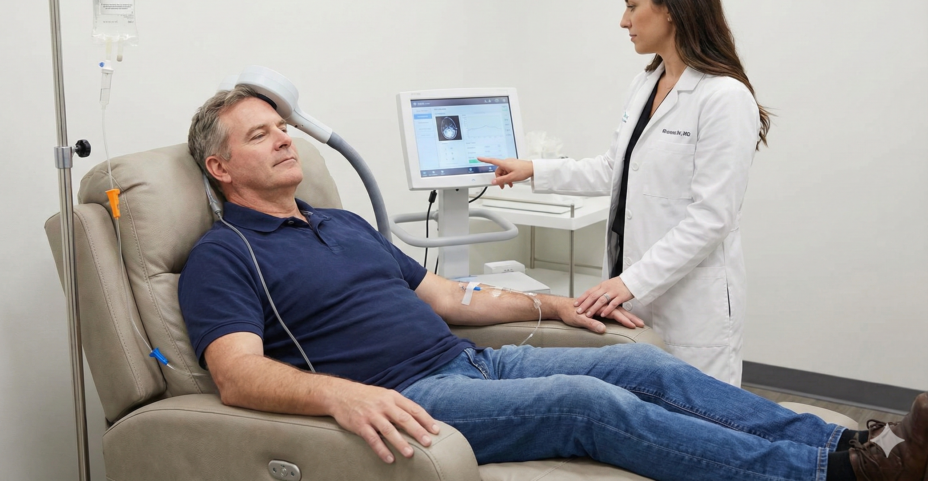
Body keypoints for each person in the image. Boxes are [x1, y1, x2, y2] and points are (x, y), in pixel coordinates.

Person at [178, 84, 927, 481]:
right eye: (260, 133)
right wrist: (342, 393)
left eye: (283, 126)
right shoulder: (226, 255)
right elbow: (238, 375)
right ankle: (829, 475)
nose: (285, 138)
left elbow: (445, 297)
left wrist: (553, 302)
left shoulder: (339, 223)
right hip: (411, 395)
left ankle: (853, 443)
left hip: (471, 361)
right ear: (221, 167)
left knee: (640, 362)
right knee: (588, 401)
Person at [479, 0, 771, 386]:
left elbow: (711, 218)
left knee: (699, 423)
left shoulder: (724, 98)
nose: (623, 20)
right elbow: (615, 170)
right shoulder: (645, 84)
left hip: (690, 308)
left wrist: (630, 282)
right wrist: (534, 170)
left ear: (670, 9)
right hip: (632, 291)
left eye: (632, 6)